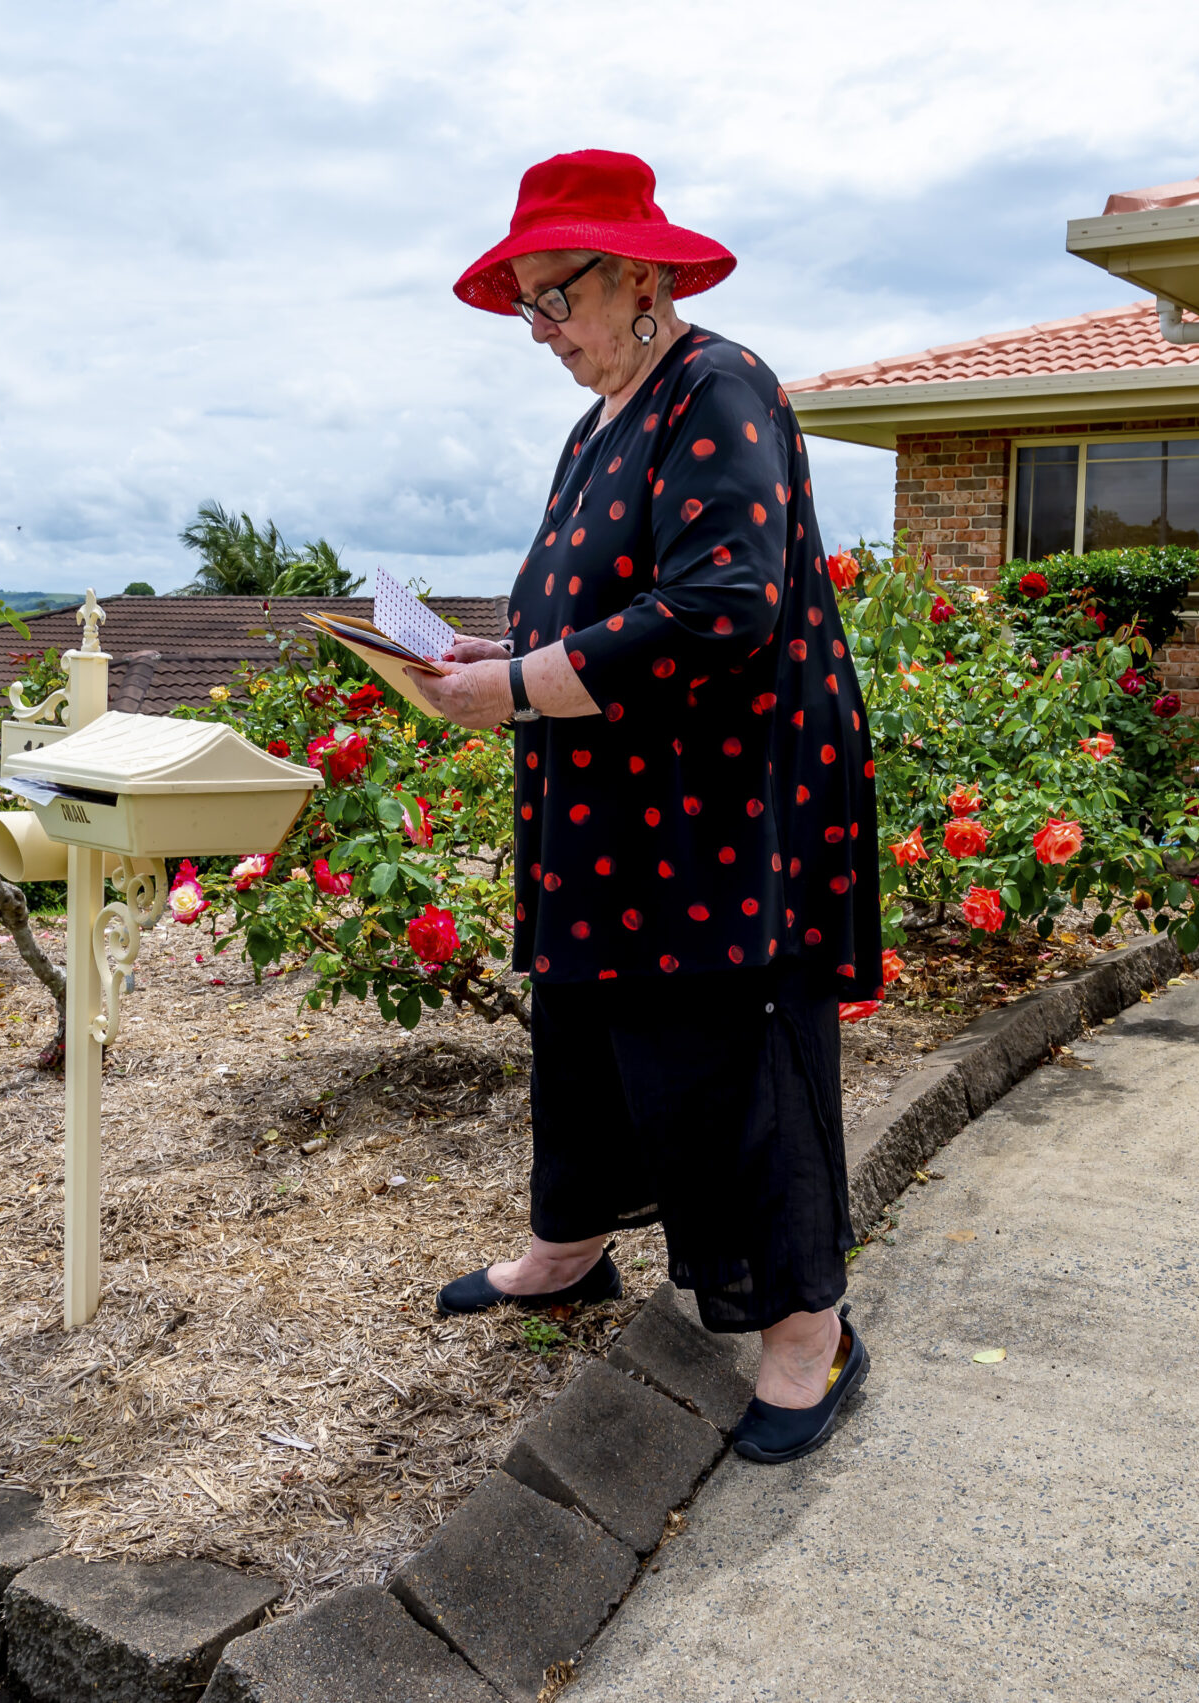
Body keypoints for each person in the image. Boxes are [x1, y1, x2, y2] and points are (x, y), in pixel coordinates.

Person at [418, 150, 881, 1464]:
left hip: (714, 804)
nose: (541, 331)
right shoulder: (599, 422)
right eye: (525, 306)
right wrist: (483, 663)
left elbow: (720, 605)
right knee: (586, 1028)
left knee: (727, 1056)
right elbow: (584, 600)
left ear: (637, 278)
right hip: (609, 794)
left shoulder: (717, 386)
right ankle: (569, 1251)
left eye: (554, 297)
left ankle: (809, 1333)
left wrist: (513, 688)